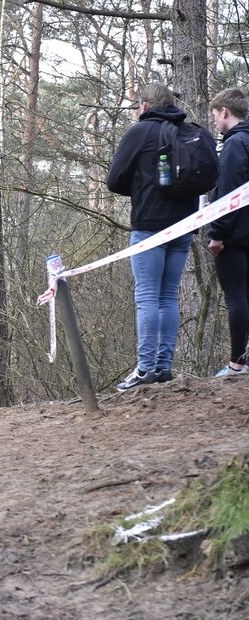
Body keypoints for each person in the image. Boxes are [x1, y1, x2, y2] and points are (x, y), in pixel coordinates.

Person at [106, 83, 201, 390]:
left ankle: (146, 368)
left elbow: (114, 179)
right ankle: (163, 367)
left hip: (149, 224)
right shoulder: (188, 131)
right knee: (168, 295)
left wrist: (139, 187)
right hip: (184, 225)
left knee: (147, 295)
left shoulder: (140, 132)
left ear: (145, 106)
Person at [207, 87, 249, 377]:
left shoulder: (235, 144)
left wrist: (217, 234)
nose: (215, 122)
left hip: (235, 236)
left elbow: (228, 194)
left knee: (236, 297)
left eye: (215, 116)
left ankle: (237, 363)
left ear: (224, 112)